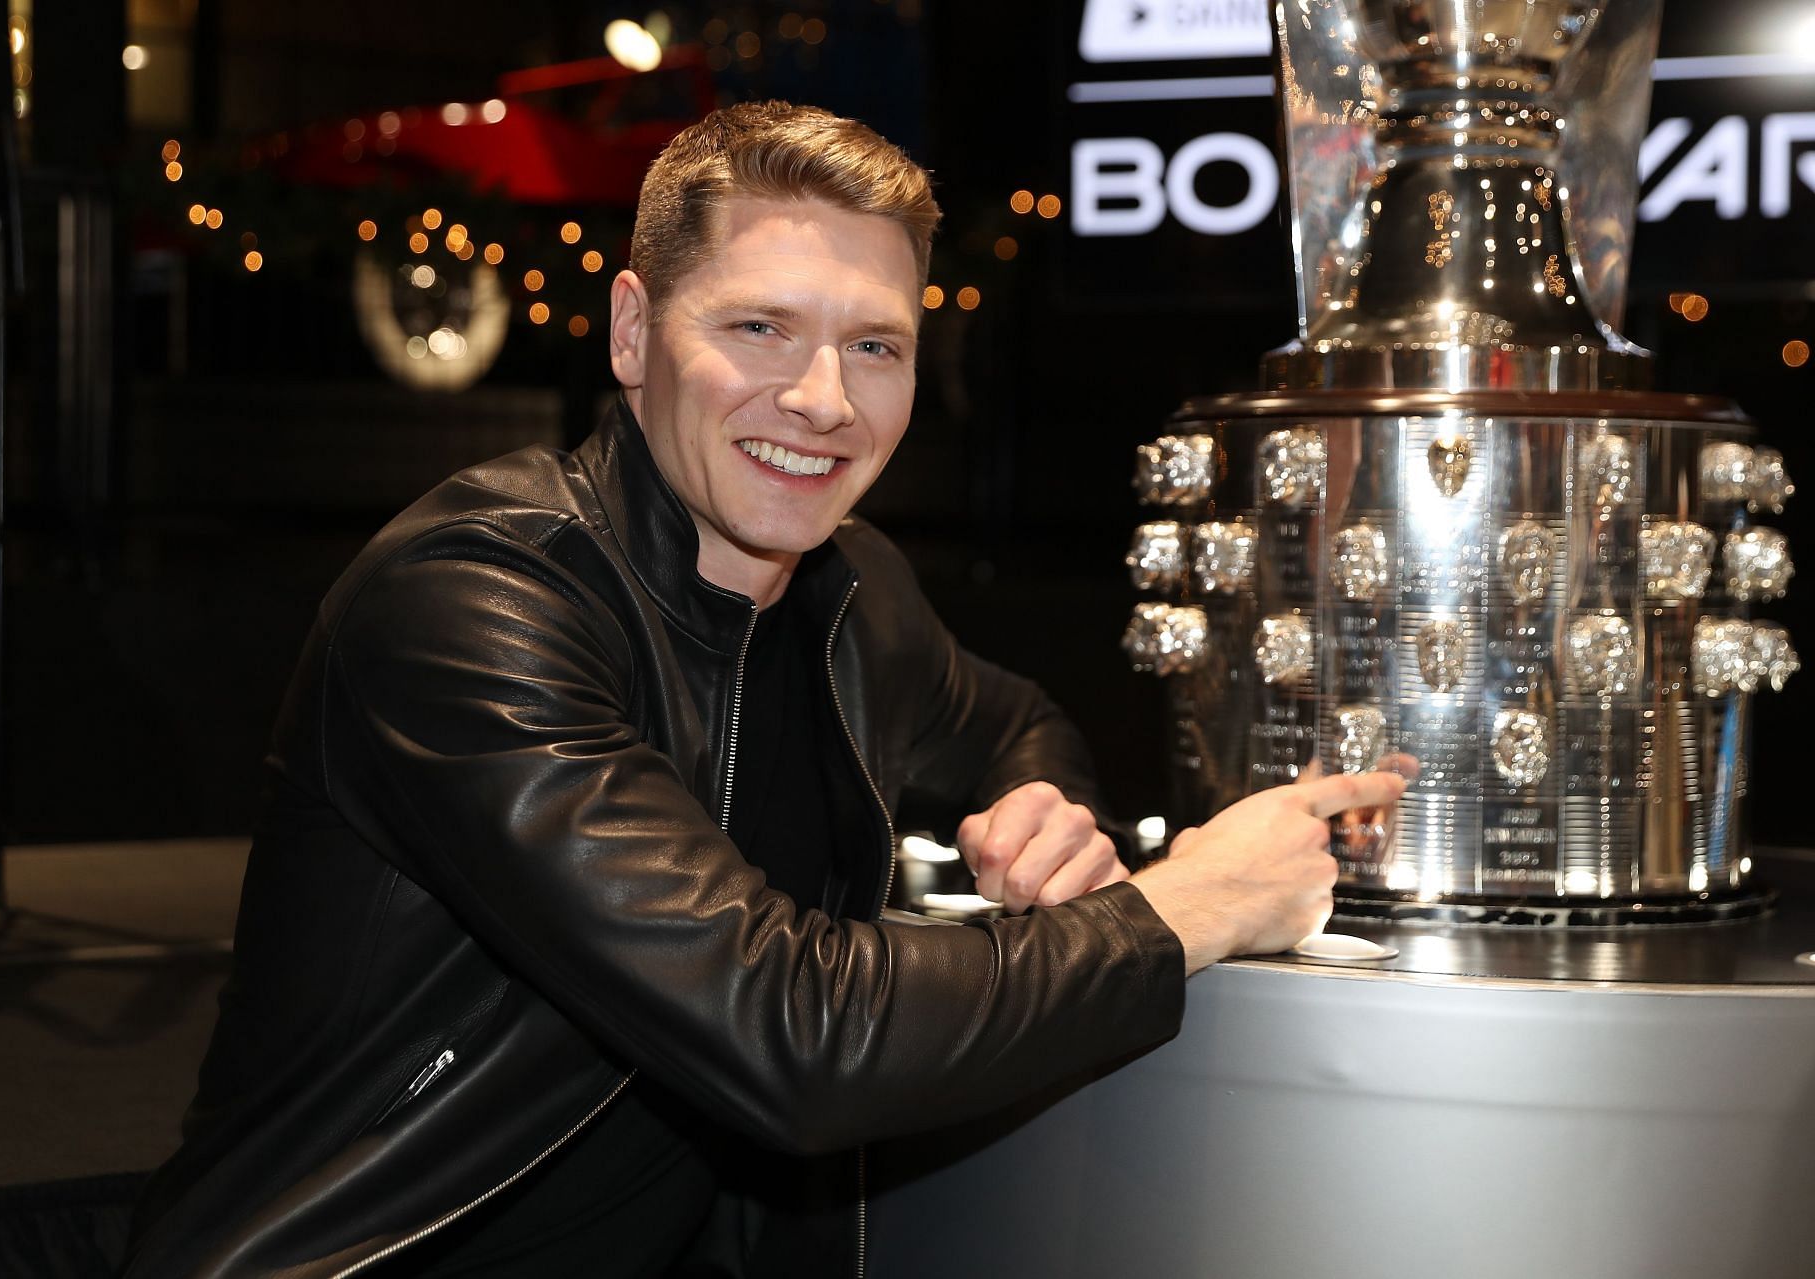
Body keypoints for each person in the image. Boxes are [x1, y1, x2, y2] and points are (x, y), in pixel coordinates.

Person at [120, 101, 1402, 1278]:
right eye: (757, 327)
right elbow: (790, 1031)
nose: (823, 399)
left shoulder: (856, 587)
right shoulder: (478, 600)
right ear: (633, 332)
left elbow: (1011, 720)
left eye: (875, 346)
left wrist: (1041, 803)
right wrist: (1191, 905)